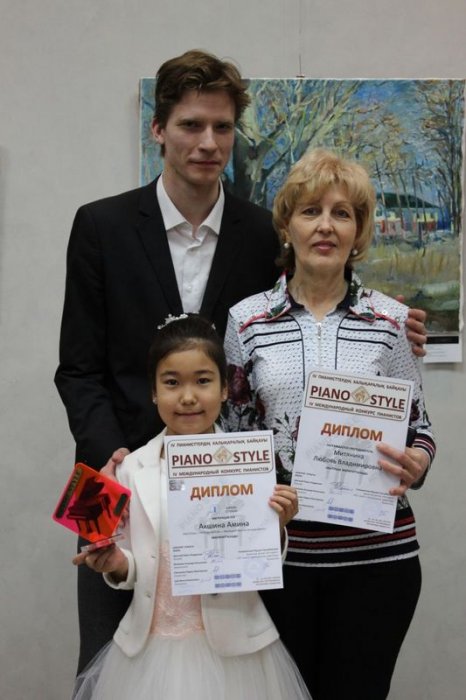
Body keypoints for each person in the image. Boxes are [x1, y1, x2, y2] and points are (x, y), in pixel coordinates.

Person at [54, 48, 428, 673]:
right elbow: (76, 370)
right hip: (116, 480)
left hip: (229, 498)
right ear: (158, 129)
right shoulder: (98, 225)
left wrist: (398, 322)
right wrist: (113, 462)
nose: (208, 142)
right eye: (190, 125)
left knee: (230, 666)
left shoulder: (262, 233)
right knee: (102, 663)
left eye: (222, 127)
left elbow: (315, 299)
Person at [222, 149, 436, 700]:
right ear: (287, 226)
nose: (325, 225)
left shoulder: (391, 320)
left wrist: (418, 459)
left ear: (358, 231)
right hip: (282, 560)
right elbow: (233, 434)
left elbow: (420, 427)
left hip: (378, 562)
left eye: (342, 213)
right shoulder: (246, 321)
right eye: (311, 211)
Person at [71, 314, 312, 700]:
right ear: (153, 391)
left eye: (202, 381)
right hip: (147, 651)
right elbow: (134, 565)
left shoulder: (252, 463)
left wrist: (277, 526)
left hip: (238, 652)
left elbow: (260, 563)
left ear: (224, 389)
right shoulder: (130, 468)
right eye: (171, 382)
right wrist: (116, 564)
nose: (187, 397)